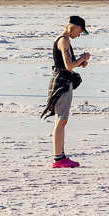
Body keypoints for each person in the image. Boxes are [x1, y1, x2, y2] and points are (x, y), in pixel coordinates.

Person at [40, 15, 90, 168]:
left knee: (61, 121)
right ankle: (58, 158)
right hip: (62, 82)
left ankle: (60, 156)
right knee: (61, 120)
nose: (79, 34)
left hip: (62, 80)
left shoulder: (63, 40)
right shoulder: (64, 40)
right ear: (73, 27)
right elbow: (68, 66)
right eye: (80, 31)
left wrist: (80, 62)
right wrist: (82, 58)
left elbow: (67, 64)